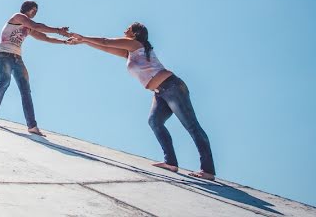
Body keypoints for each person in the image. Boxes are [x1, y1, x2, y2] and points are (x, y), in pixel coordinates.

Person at [67, 23, 216, 180]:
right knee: (154, 122)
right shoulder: (131, 52)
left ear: (135, 33)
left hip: (172, 87)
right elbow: (105, 48)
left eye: (128, 28)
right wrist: (84, 42)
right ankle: (170, 162)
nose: (124, 30)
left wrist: (83, 37)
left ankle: (207, 170)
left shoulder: (135, 44)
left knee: (191, 126)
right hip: (160, 92)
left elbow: (105, 41)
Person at [0, 0, 69, 136]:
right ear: (26, 9)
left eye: (36, 11)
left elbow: (44, 37)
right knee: (5, 82)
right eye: (33, 10)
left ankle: (32, 126)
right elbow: (37, 26)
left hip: (18, 59)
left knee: (26, 90)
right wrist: (59, 30)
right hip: (4, 55)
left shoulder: (28, 28)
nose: (35, 12)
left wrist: (64, 41)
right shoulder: (18, 17)